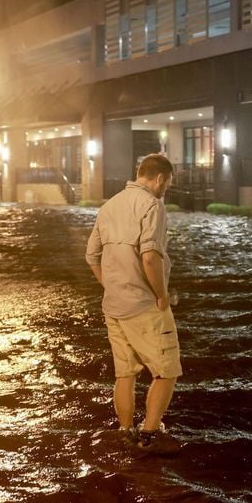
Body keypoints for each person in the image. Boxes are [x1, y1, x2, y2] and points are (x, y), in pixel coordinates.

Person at [85, 153, 181, 448]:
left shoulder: (109, 205)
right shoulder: (152, 205)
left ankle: (125, 431)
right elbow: (150, 258)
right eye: (168, 184)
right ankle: (150, 434)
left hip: (114, 305)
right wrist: (162, 296)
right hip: (143, 306)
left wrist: (112, 285)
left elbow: (91, 256)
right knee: (166, 371)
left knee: (125, 373)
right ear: (160, 178)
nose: (166, 190)